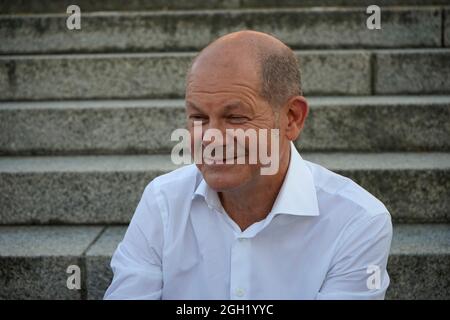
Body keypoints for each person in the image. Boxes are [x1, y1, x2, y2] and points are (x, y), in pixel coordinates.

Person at [104, 30, 392, 300]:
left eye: (236, 118)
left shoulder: (358, 221)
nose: (210, 139)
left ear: (291, 118)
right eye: (198, 118)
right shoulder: (163, 201)